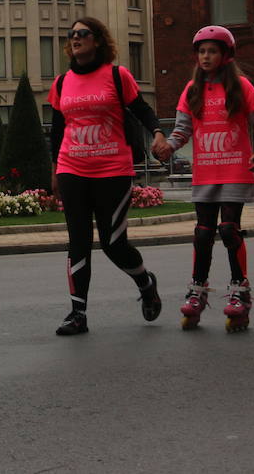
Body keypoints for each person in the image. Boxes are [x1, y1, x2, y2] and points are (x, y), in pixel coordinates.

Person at [47, 17, 167, 335]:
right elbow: (58, 131)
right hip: (72, 169)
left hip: (113, 169)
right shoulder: (61, 83)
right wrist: (55, 169)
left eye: (82, 34)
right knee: (78, 242)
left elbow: (141, 108)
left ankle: (145, 283)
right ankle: (78, 314)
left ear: (97, 40)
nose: (76, 38)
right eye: (71, 34)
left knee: (113, 243)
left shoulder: (116, 76)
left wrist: (157, 132)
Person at [152, 26, 254, 332]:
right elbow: (182, 130)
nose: (206, 57)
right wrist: (168, 146)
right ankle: (196, 290)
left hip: (235, 170)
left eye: (212, 51)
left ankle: (239, 291)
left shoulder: (242, 86)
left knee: (229, 230)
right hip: (206, 171)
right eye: (202, 51)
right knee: (203, 233)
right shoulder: (192, 89)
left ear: (225, 55)